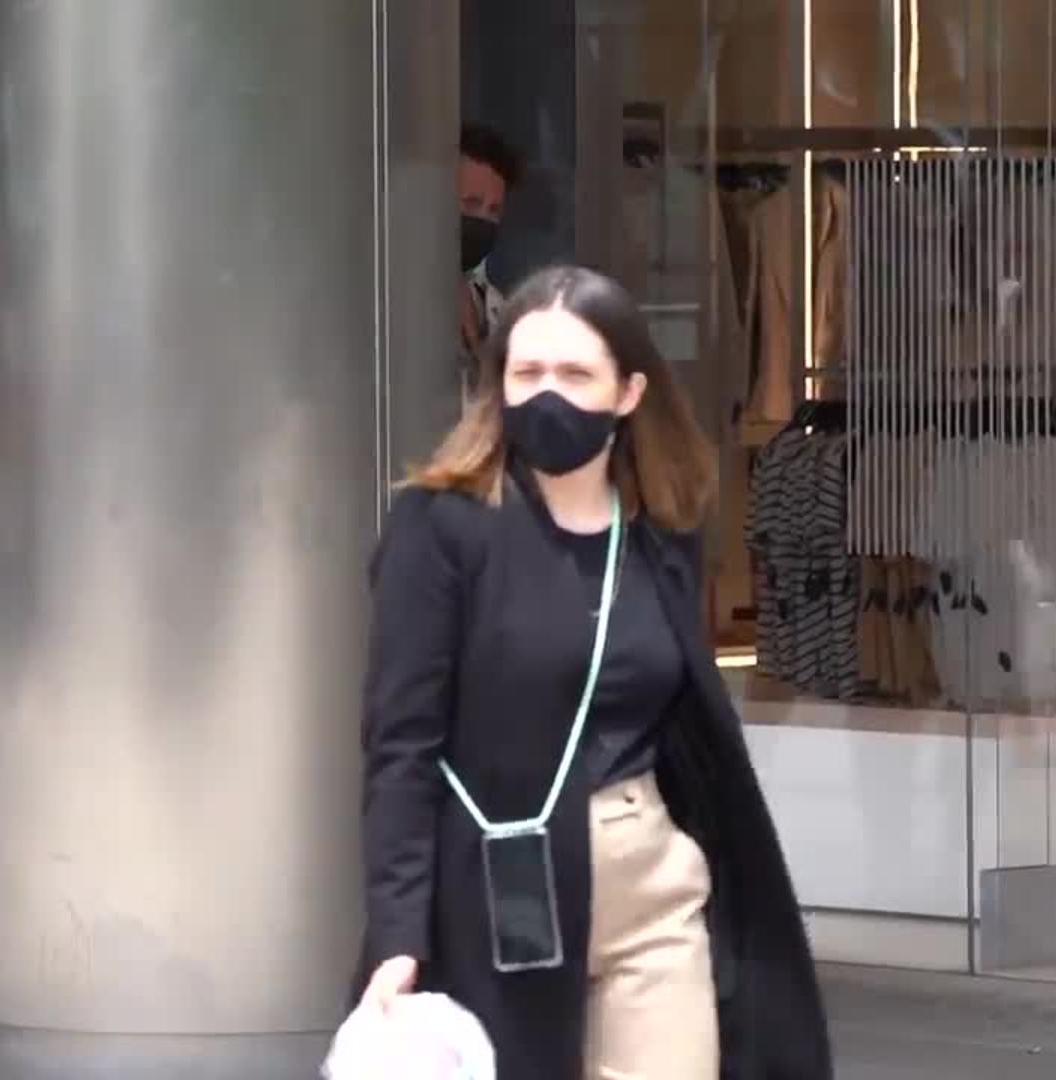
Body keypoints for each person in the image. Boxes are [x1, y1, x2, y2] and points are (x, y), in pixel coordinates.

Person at [356, 265, 833, 1078]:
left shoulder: (660, 530)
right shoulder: (441, 528)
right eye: (527, 372)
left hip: (649, 877)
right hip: (500, 883)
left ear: (628, 392)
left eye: (576, 374)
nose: (548, 395)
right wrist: (398, 933)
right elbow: (402, 745)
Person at [456, 124, 521, 377]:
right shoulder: (393, 299)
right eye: (471, 204)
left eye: (494, 210)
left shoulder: (496, 306)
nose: (483, 219)